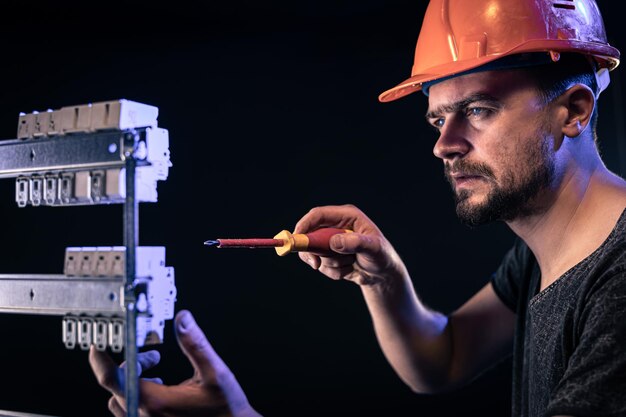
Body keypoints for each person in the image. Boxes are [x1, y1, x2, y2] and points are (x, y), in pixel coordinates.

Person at [89, 0, 626, 416]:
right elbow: (445, 359)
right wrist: (382, 278)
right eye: (439, 120)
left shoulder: (618, 280)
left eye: (479, 110)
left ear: (574, 110)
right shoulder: (544, 253)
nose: (444, 144)